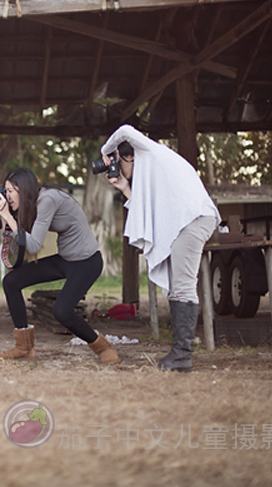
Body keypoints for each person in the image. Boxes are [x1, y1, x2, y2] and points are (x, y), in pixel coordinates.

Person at [101, 124, 220, 372]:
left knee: (184, 285)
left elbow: (124, 129)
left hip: (194, 218)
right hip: (186, 220)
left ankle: (182, 354)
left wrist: (106, 150)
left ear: (128, 155)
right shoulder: (150, 173)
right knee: (179, 287)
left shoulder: (150, 151)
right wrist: (124, 187)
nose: (116, 167)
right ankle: (180, 354)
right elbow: (144, 212)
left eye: (118, 162)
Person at [0, 167, 119, 364]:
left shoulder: (47, 200)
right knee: (11, 281)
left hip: (86, 262)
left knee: (62, 312)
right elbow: (17, 249)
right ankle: (24, 347)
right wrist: (7, 220)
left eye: (10, 191)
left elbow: (33, 246)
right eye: (5, 191)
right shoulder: (30, 205)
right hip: (65, 260)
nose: (6, 196)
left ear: (23, 189)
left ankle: (103, 347)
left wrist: (9, 217)